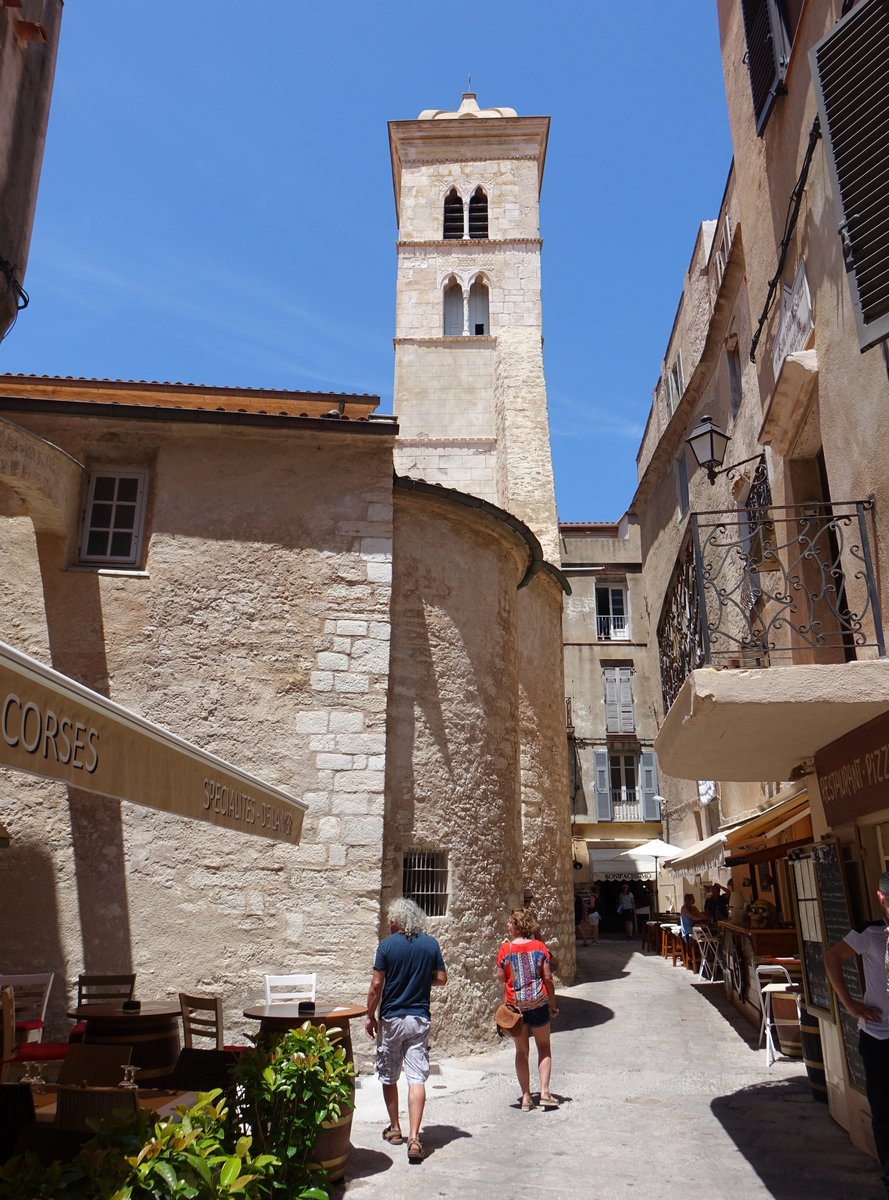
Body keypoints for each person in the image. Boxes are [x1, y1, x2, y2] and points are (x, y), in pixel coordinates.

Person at [365, 898, 447, 1164]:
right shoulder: (430, 944)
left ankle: (395, 1128)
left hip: (391, 1019)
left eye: (391, 918)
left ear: (399, 920)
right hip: (419, 1018)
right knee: (416, 1077)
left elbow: (377, 984)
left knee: (389, 1075)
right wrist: (423, 979)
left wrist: (369, 1015)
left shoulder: (387, 946)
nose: (389, 922)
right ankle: (414, 1137)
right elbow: (442, 979)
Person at [825, 870, 889, 1194]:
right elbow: (832, 958)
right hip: (879, 1037)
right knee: (884, 1110)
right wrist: (849, 1005)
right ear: (882, 899)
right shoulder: (871, 932)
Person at [497, 908, 560, 1112]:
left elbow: (500, 977)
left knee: (521, 1051)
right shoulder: (540, 947)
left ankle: (525, 1097)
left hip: (516, 1006)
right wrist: (552, 1004)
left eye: (510, 922)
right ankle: (544, 1092)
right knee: (544, 1047)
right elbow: (548, 978)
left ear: (517, 926)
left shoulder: (505, 949)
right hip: (539, 1002)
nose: (507, 926)